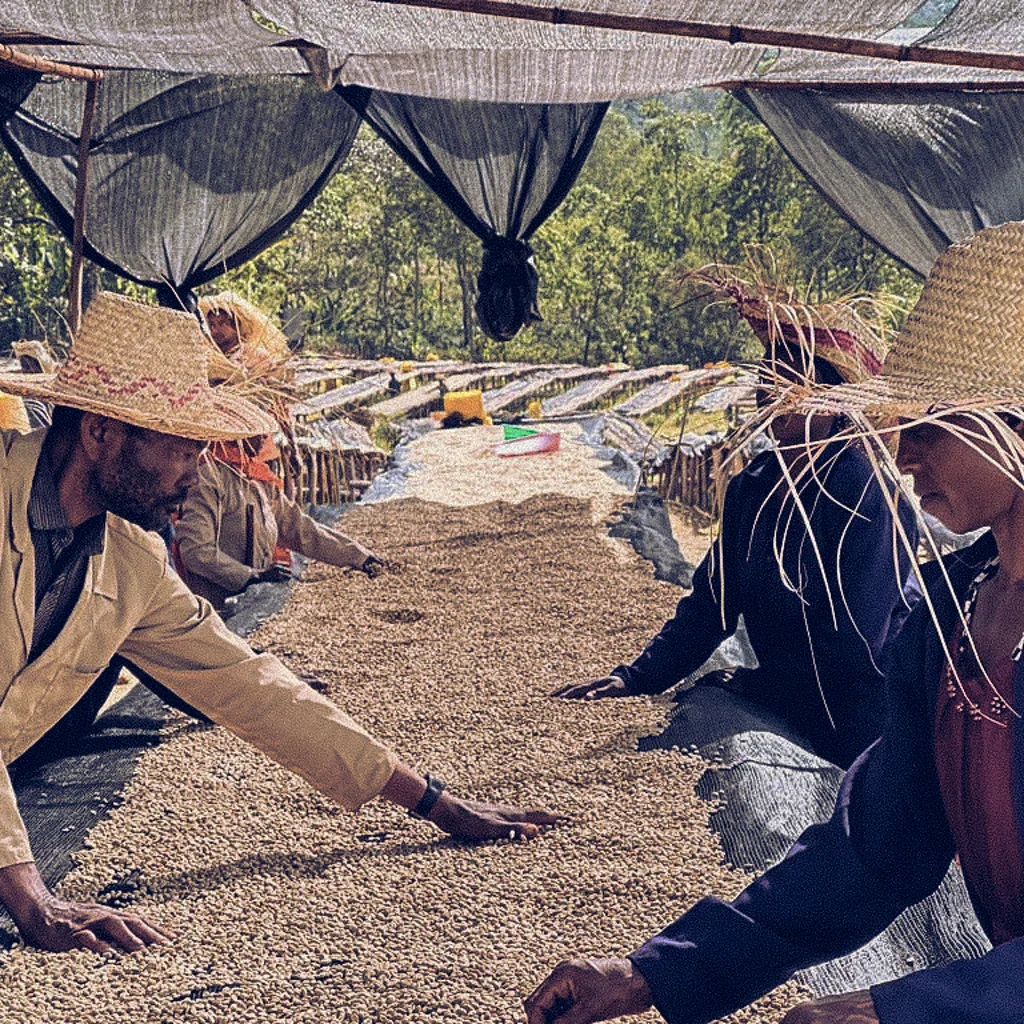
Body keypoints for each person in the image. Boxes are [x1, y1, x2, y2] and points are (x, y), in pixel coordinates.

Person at [526, 221, 1024, 1024]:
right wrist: (657, 971)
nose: (903, 452)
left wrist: (904, 1006)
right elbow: (874, 849)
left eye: (933, 423)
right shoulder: (951, 613)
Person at [0, 291, 557, 956]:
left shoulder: (129, 559)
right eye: (183, 450)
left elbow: (251, 686)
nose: (196, 472)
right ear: (99, 434)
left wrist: (436, 803)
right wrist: (34, 903)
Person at [554, 273, 918, 768]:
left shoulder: (865, 493)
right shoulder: (755, 487)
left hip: (865, 726)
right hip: (792, 710)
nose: (770, 393)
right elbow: (714, 604)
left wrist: (754, 683)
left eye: (791, 381)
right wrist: (637, 677)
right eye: (768, 377)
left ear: (834, 403)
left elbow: (854, 646)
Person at [175, 433, 385, 610]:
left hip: (253, 601)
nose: (264, 440)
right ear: (237, 436)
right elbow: (196, 551)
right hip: (217, 608)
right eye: (258, 433)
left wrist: (358, 556)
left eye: (265, 434)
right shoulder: (209, 478)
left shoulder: (257, 481)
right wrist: (251, 576)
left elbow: (301, 530)